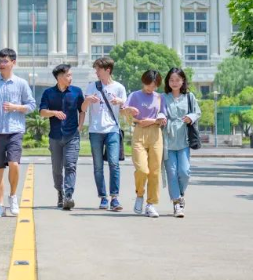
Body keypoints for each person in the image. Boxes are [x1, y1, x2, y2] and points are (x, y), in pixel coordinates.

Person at [0, 48, 36, 218]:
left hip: (14, 130)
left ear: (13, 63)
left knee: (14, 164)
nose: (1, 65)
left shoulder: (21, 83)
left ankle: (13, 196)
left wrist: (16, 107)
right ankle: (0, 205)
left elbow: (32, 105)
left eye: (5, 61)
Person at [82, 56, 127, 212]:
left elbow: (125, 111)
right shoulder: (91, 87)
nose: (96, 73)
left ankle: (114, 197)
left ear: (107, 70)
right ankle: (103, 197)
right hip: (95, 130)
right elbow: (83, 108)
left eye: (98, 70)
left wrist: (120, 102)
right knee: (98, 166)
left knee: (114, 163)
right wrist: (88, 100)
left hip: (112, 129)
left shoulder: (119, 88)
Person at [39, 64, 85, 210]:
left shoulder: (77, 92)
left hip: (72, 135)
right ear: (59, 77)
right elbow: (42, 112)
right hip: (55, 136)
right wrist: (54, 112)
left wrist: (80, 125)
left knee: (70, 166)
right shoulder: (48, 93)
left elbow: (82, 110)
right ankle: (60, 191)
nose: (70, 78)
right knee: (57, 169)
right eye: (68, 75)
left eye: (71, 75)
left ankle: (68, 196)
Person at [122, 69, 167, 218]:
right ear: (144, 81)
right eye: (149, 85)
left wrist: (156, 120)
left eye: (154, 86)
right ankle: (140, 194)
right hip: (139, 132)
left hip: (155, 133)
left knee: (155, 171)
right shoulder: (134, 95)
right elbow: (123, 112)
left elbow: (163, 115)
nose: (151, 88)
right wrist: (128, 109)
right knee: (142, 169)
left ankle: (151, 204)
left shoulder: (160, 97)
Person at [160, 67, 201, 218]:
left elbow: (197, 112)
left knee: (184, 172)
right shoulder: (163, 97)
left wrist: (191, 117)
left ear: (183, 80)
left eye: (177, 79)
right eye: (171, 80)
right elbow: (158, 111)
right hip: (167, 139)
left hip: (183, 139)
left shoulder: (189, 97)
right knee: (171, 172)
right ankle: (177, 203)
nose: (174, 82)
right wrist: (161, 117)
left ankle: (180, 193)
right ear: (168, 82)